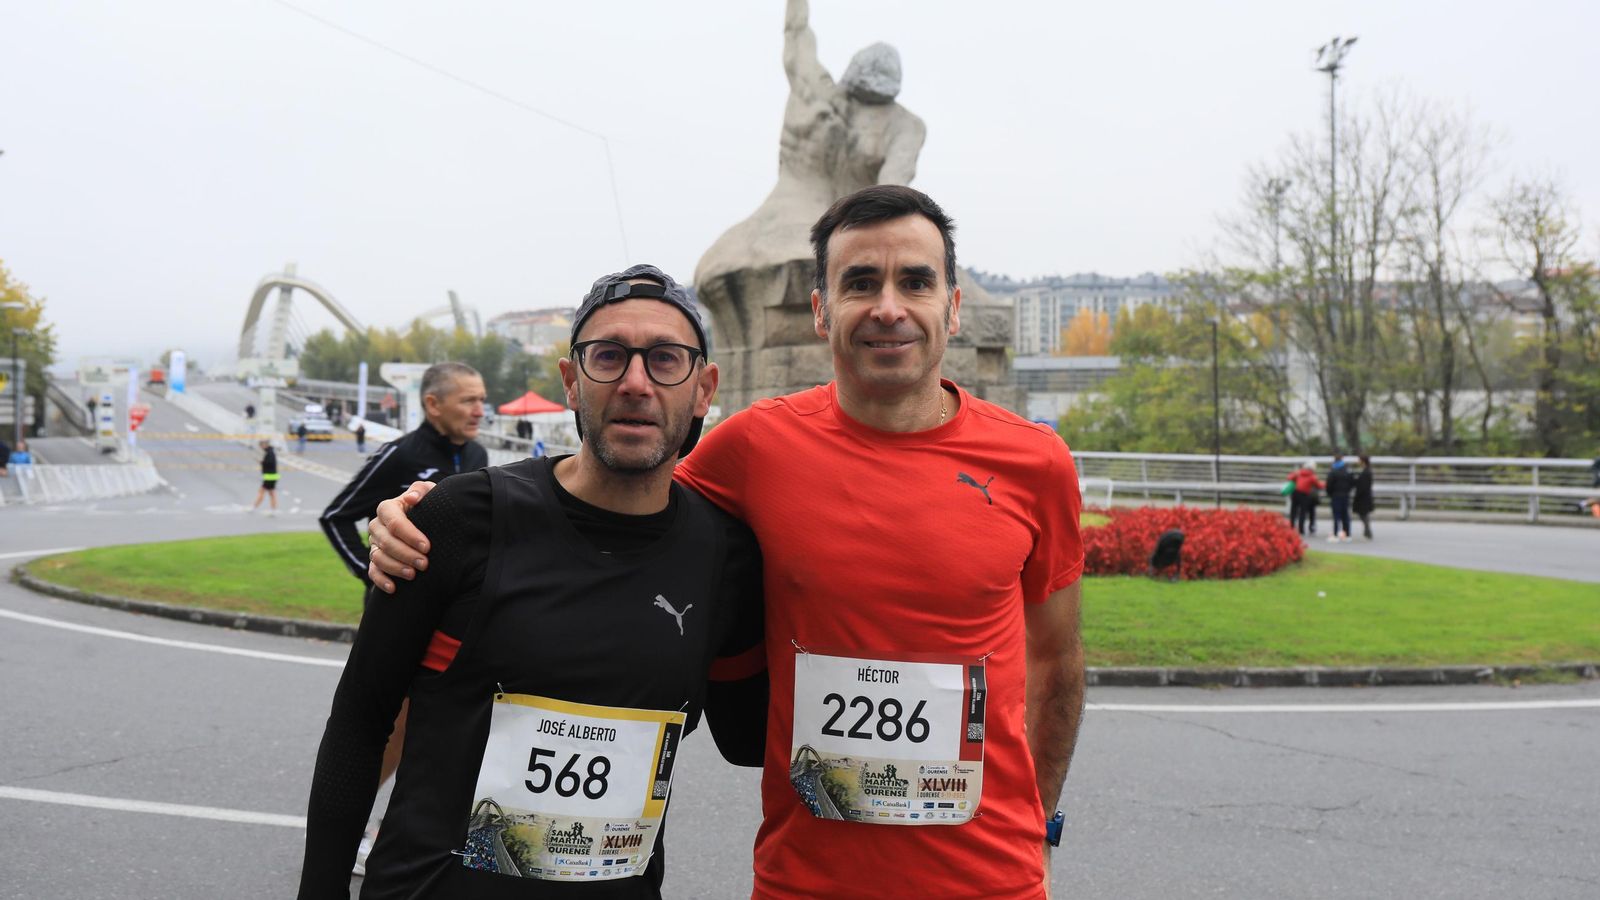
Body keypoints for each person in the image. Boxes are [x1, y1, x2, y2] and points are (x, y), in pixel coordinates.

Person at [370, 186, 1087, 899]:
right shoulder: (755, 446)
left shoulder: (1036, 462)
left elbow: (1056, 662)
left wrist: (1040, 828)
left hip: (991, 880)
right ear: (820, 310)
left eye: (916, 282)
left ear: (953, 307)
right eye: (859, 283)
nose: (888, 307)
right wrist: (438, 508)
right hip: (805, 881)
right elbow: (604, 485)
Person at [297, 265, 763, 899]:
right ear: (572, 381)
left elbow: (747, 738)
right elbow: (361, 720)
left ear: (703, 389)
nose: (635, 383)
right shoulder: (454, 520)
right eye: (608, 357)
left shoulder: (726, 555)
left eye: (664, 359)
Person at [318, 362, 492, 872]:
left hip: (462, 625)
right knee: (386, 733)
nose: (480, 410)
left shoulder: (478, 455)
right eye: (468, 401)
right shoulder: (401, 454)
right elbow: (335, 516)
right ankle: (346, 830)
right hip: (400, 622)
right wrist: (368, 572)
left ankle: (436, 840)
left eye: (482, 399)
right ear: (433, 404)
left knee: (453, 729)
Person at [1288, 460, 1324, 536]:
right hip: (1304, 495)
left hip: (1295, 493)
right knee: (1302, 512)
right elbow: (1319, 485)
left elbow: (1289, 477)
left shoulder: (1299, 473)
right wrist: (1326, 483)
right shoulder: (1312, 476)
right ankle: (1301, 530)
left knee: (1293, 511)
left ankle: (1291, 527)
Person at [1324, 454, 1354, 542]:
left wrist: (1330, 494)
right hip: (1345, 495)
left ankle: (1336, 534)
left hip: (1336, 495)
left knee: (1336, 516)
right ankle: (1347, 534)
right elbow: (1352, 483)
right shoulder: (1348, 471)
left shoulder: (1333, 471)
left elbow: (1328, 485)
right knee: (1345, 515)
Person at [250, 440, 278, 515]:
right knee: (271, 493)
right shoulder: (270, 452)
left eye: (261, 445)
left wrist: (261, 462)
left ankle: (254, 507)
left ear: (265, 445)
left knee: (262, 491)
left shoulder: (270, 453)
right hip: (271, 476)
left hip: (270, 476)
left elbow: (269, 463)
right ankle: (273, 510)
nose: (261, 447)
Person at [1352, 455, 1376, 540]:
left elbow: (1363, 485)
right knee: (1363, 514)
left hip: (1364, 497)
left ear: (1363, 461)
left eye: (1359, 460)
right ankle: (1367, 530)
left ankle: (1367, 530)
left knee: (1363, 514)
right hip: (1365, 496)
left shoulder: (1366, 472)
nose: (1358, 462)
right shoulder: (1366, 471)